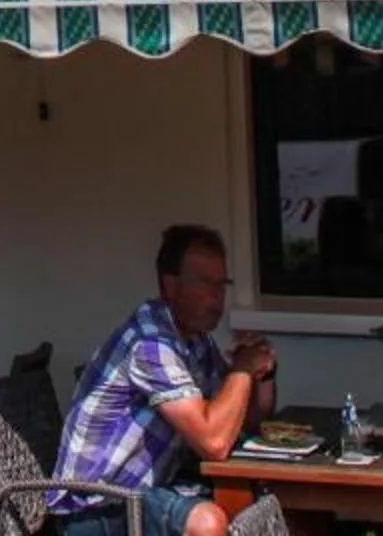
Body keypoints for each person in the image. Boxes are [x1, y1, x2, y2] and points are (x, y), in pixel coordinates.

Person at [53, 225, 280, 536]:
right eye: (205, 284)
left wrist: (262, 371)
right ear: (170, 286)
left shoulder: (195, 339)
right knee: (208, 524)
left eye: (222, 285)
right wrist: (242, 369)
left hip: (145, 493)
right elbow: (214, 443)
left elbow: (247, 420)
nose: (217, 297)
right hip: (98, 505)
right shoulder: (151, 344)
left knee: (264, 495)